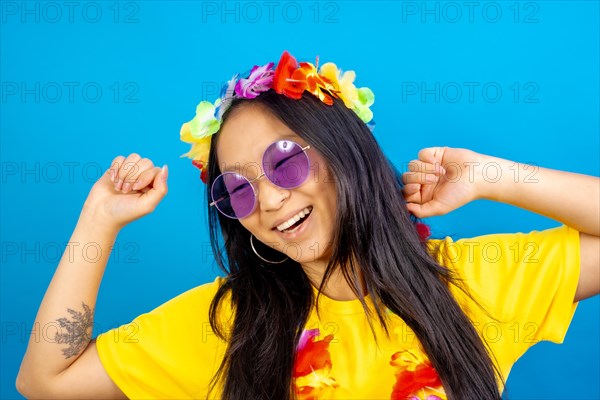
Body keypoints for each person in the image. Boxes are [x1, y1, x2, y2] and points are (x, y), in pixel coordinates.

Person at [16, 50, 599, 400]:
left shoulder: (479, 280)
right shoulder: (228, 325)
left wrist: (495, 175)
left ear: (344, 151)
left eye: (285, 160)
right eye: (238, 189)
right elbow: (46, 381)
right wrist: (100, 218)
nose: (267, 200)